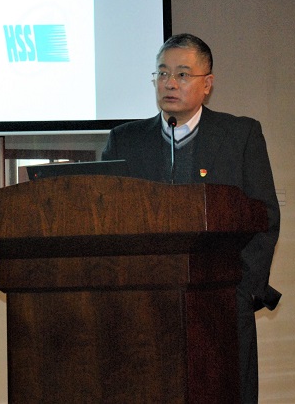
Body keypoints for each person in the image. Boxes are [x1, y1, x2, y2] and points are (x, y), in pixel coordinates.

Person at [102, 33, 281, 402]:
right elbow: (105, 220)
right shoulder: (125, 140)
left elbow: (263, 217)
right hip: (143, 307)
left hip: (223, 303)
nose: (170, 83)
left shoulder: (240, 135)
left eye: (182, 74)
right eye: (162, 73)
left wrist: (242, 290)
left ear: (207, 84)